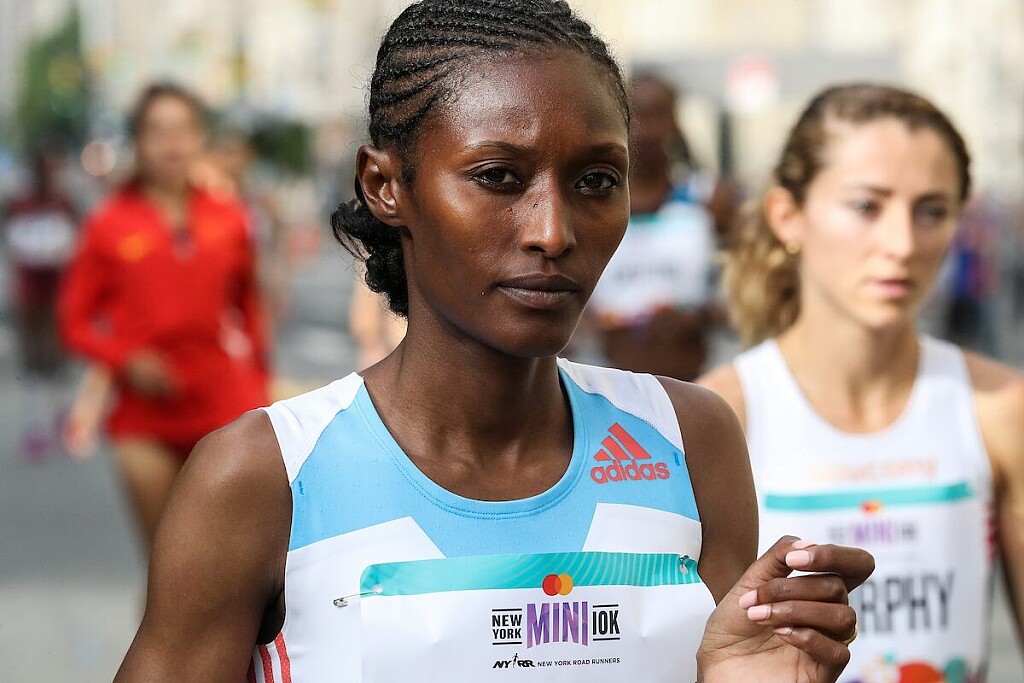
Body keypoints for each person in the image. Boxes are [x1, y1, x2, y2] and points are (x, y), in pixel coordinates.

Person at [115, 3, 872, 681]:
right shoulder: (265, 477)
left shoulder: (688, 441)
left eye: (596, 181)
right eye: (499, 177)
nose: (553, 231)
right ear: (385, 185)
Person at [699, 84, 1024, 681]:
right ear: (787, 214)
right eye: (867, 206)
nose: (902, 244)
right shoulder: (718, 415)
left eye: (932, 211)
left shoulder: (1000, 408)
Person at [58, 82, 271, 553]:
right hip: (143, 418)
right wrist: (125, 360)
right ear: (138, 140)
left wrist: (260, 389)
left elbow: (251, 313)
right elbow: (74, 323)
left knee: (221, 563)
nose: (171, 144)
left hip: (223, 411)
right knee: (165, 562)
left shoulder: (229, 217)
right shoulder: (108, 223)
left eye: (182, 130)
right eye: (157, 131)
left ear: (199, 138)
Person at [587, 73, 719, 380]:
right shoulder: (589, 203)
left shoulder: (708, 201)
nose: (646, 130)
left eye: (658, 115)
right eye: (637, 116)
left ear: (675, 121)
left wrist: (704, 315)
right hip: (607, 383)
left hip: (695, 381)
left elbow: (742, 292)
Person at [3, 145, 78, 460]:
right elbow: (12, 240)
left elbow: (76, 241)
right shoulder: (19, 204)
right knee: (33, 361)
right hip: (31, 294)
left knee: (57, 360)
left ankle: (61, 416)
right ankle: (35, 425)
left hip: (58, 293)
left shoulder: (64, 202)